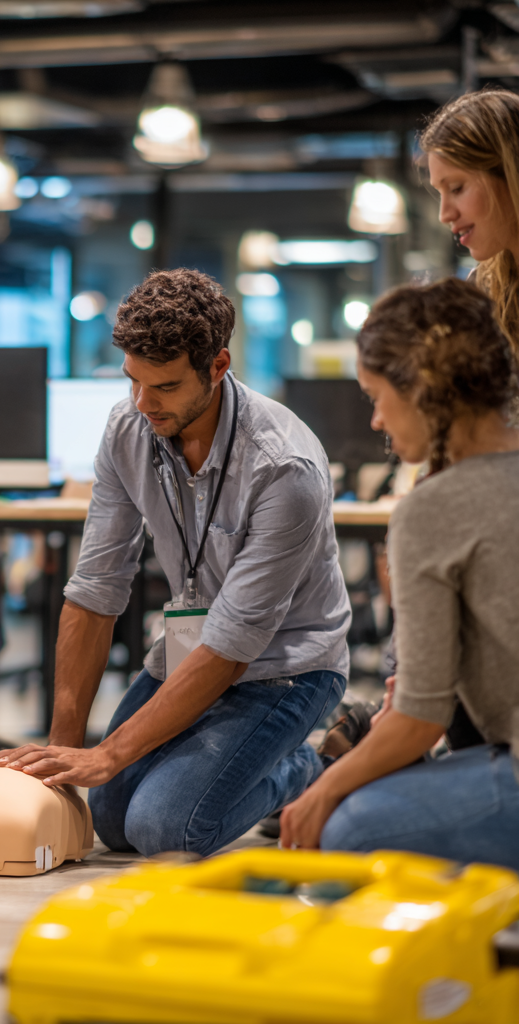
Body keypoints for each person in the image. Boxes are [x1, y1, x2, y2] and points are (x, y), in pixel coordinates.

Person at [0, 268, 351, 858]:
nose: (142, 402)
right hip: (191, 652)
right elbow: (95, 591)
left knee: (165, 830)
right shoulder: (128, 428)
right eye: (133, 380)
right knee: (109, 817)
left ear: (217, 366)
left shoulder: (285, 470)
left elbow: (235, 642)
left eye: (162, 386)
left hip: (285, 667)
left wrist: (107, 753)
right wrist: (61, 758)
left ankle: (315, 762)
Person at [280, 278, 519, 872]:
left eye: (378, 396)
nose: (378, 421)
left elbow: (419, 720)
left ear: (423, 391)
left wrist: (324, 793)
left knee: (351, 825)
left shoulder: (432, 508)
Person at [420, 89, 519, 352]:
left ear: (511, 174)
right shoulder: (485, 290)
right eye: (440, 193)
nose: (444, 215)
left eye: (456, 188)